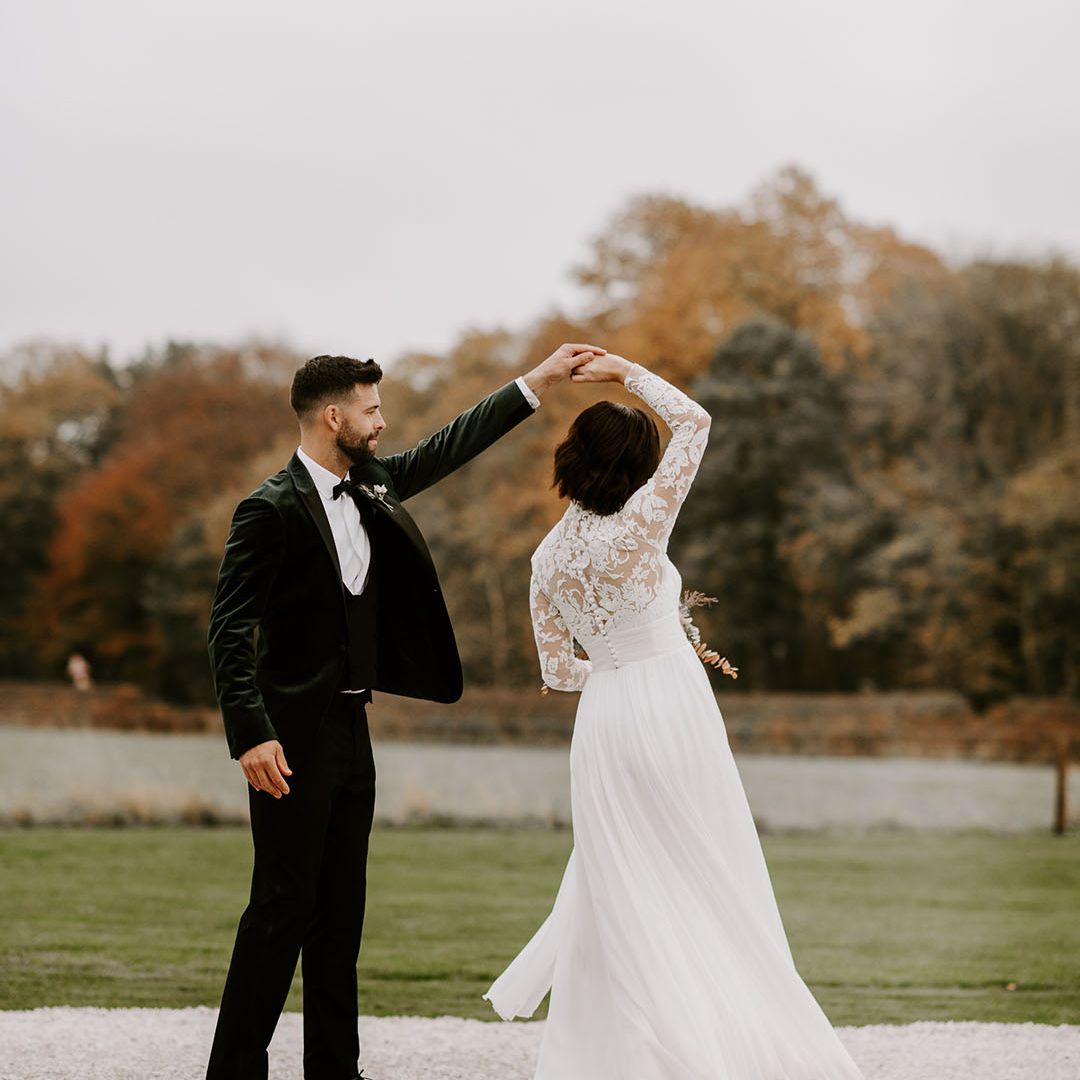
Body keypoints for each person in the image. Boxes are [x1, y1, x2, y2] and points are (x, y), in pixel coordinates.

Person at [205, 343, 604, 1080]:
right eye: (371, 410)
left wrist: (538, 382)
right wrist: (251, 735)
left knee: (341, 915)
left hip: (353, 729)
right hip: (289, 741)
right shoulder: (268, 509)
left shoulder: (373, 484)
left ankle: (335, 1071)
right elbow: (229, 630)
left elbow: (451, 444)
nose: (382, 422)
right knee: (281, 908)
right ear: (334, 417)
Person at [484, 353, 865, 1079]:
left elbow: (558, 672)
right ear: (637, 468)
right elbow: (696, 420)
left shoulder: (545, 559)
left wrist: (615, 666)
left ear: (571, 459)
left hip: (606, 721)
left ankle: (618, 1054)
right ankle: (712, 1041)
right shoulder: (639, 527)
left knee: (620, 885)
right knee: (705, 869)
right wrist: (624, 370)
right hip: (668, 707)